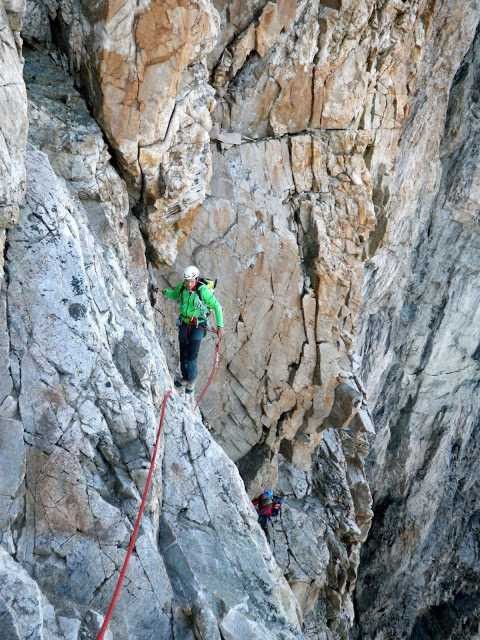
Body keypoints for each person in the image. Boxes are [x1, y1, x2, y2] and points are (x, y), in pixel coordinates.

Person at [162, 265, 224, 394]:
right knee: (183, 353)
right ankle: (185, 378)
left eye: (190, 281)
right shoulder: (183, 287)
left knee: (192, 355)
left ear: (195, 279)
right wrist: (163, 291)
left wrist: (220, 326)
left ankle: (192, 380)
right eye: (186, 281)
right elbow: (174, 294)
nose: (188, 284)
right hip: (184, 323)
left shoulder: (203, 291)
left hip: (198, 325)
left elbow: (217, 307)